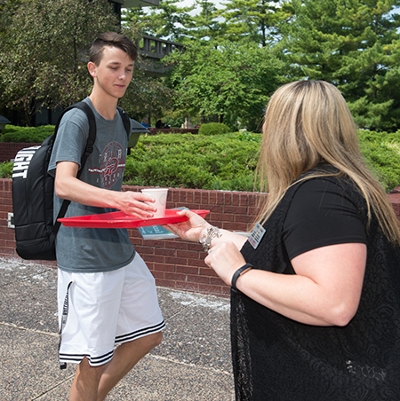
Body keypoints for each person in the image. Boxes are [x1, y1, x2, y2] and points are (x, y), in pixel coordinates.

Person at [166, 80, 400, 400]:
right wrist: (207, 234)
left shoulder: (322, 195)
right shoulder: (325, 185)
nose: (263, 130)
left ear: (284, 130)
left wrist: (239, 274)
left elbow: (333, 303)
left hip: (329, 383)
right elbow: (279, 248)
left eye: (268, 119)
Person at [48, 32, 165, 401]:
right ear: (93, 69)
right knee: (91, 359)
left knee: (150, 332)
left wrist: (127, 198)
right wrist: (117, 199)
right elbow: (64, 185)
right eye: (114, 67)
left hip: (118, 246)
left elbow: (104, 181)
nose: (123, 76)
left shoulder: (123, 121)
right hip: (84, 253)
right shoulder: (77, 119)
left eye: (129, 69)